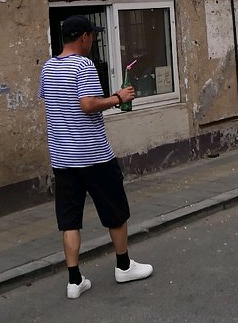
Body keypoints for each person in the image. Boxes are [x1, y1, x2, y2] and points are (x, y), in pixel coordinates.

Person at [38, 15, 153, 300]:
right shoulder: (83, 65)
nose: (95, 40)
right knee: (115, 212)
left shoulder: (48, 67)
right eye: (93, 35)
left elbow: (53, 101)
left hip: (63, 158)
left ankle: (74, 280)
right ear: (84, 37)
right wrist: (118, 98)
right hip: (94, 155)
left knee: (69, 220)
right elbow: (88, 104)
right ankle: (124, 265)